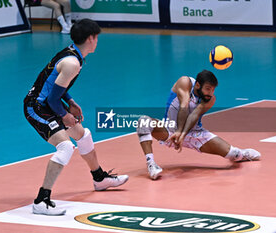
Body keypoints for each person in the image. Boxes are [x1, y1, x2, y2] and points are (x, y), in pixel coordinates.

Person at [23, 19, 129, 215]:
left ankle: (99, 179)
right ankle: (41, 200)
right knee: (65, 147)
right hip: (36, 107)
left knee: (84, 135)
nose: (97, 41)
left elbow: (56, 85)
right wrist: (65, 115)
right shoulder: (72, 63)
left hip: (49, 103)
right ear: (91, 38)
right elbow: (53, 98)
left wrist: (71, 102)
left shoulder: (72, 53)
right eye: (96, 37)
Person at [136, 70, 261, 180]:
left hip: (195, 133)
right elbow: (184, 106)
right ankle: (151, 164)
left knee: (234, 155)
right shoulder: (185, 82)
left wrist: (182, 134)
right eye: (208, 89)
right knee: (143, 121)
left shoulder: (210, 99)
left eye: (213, 90)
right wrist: (178, 131)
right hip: (169, 129)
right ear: (197, 85)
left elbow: (193, 115)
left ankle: (242, 153)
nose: (210, 93)